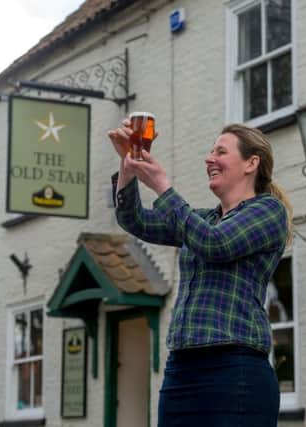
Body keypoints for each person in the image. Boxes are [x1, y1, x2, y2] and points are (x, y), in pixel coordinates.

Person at [108, 121, 293, 427]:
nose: (209, 159)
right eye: (210, 151)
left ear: (251, 163)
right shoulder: (203, 219)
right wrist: (128, 165)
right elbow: (136, 221)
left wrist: (162, 186)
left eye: (220, 151)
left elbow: (215, 243)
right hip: (181, 369)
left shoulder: (268, 210)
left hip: (235, 370)